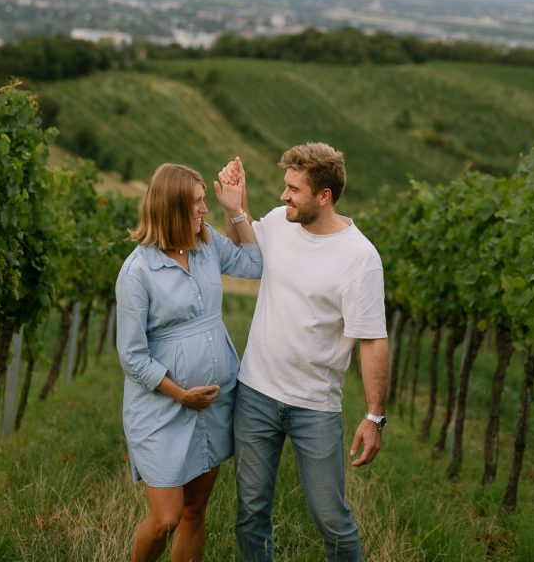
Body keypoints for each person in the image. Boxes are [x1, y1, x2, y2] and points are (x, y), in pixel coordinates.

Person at [220, 143, 388, 562]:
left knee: (331, 520)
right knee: (250, 513)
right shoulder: (279, 222)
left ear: (324, 196)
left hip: (315, 407)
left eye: (293, 189)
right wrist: (233, 205)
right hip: (255, 394)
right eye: (285, 186)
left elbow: (372, 340)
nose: (283, 197)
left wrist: (374, 415)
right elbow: (244, 249)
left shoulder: (360, 257)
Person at [115, 162, 263, 562]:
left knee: (195, 512)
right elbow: (131, 355)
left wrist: (237, 208)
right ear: (173, 207)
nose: (204, 209)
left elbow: (254, 263)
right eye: (197, 202)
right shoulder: (137, 272)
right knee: (166, 518)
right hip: (162, 409)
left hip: (211, 405)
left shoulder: (206, 245)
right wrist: (180, 393)